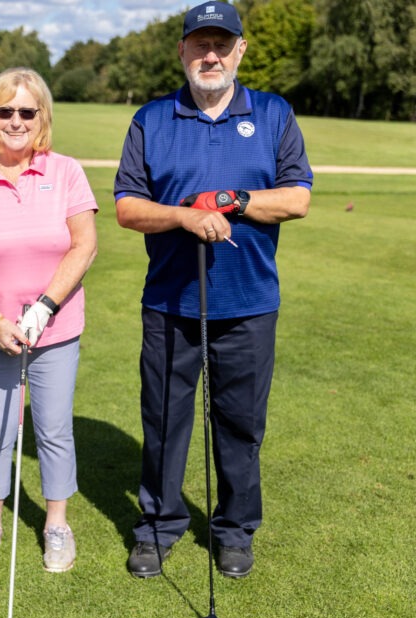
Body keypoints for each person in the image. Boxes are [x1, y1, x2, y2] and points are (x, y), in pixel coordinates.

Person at [114, 1, 312, 580]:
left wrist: (231, 201)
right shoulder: (152, 119)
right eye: (199, 44)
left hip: (249, 304)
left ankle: (234, 530)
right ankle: (159, 525)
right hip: (171, 304)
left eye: (221, 45)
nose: (210, 55)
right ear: (181, 51)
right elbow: (127, 208)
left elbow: (297, 198)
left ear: (239, 50)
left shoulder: (273, 113)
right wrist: (183, 216)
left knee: (241, 425)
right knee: (166, 421)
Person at [0, 68, 98, 573]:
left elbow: (84, 244)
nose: (15, 121)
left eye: (26, 111)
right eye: (4, 111)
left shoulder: (67, 171)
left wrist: (44, 308)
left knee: (53, 428)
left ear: (42, 117)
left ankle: (56, 524)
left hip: (55, 327)